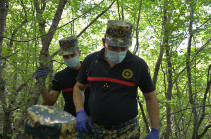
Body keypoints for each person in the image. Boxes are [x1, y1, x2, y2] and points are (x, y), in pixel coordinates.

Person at [73, 20, 160, 139]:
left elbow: (150, 97)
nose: (118, 52)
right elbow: (78, 88)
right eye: (113, 47)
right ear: (104, 42)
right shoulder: (91, 60)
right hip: (94, 127)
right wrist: (80, 111)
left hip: (126, 130)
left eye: (123, 48)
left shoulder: (138, 65)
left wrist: (155, 129)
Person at [35, 36, 90, 117]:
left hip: (93, 119)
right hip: (70, 120)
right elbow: (50, 102)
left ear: (79, 53)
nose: (69, 58)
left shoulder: (90, 71)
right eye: (66, 56)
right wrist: (41, 85)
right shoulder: (60, 76)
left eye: (72, 54)